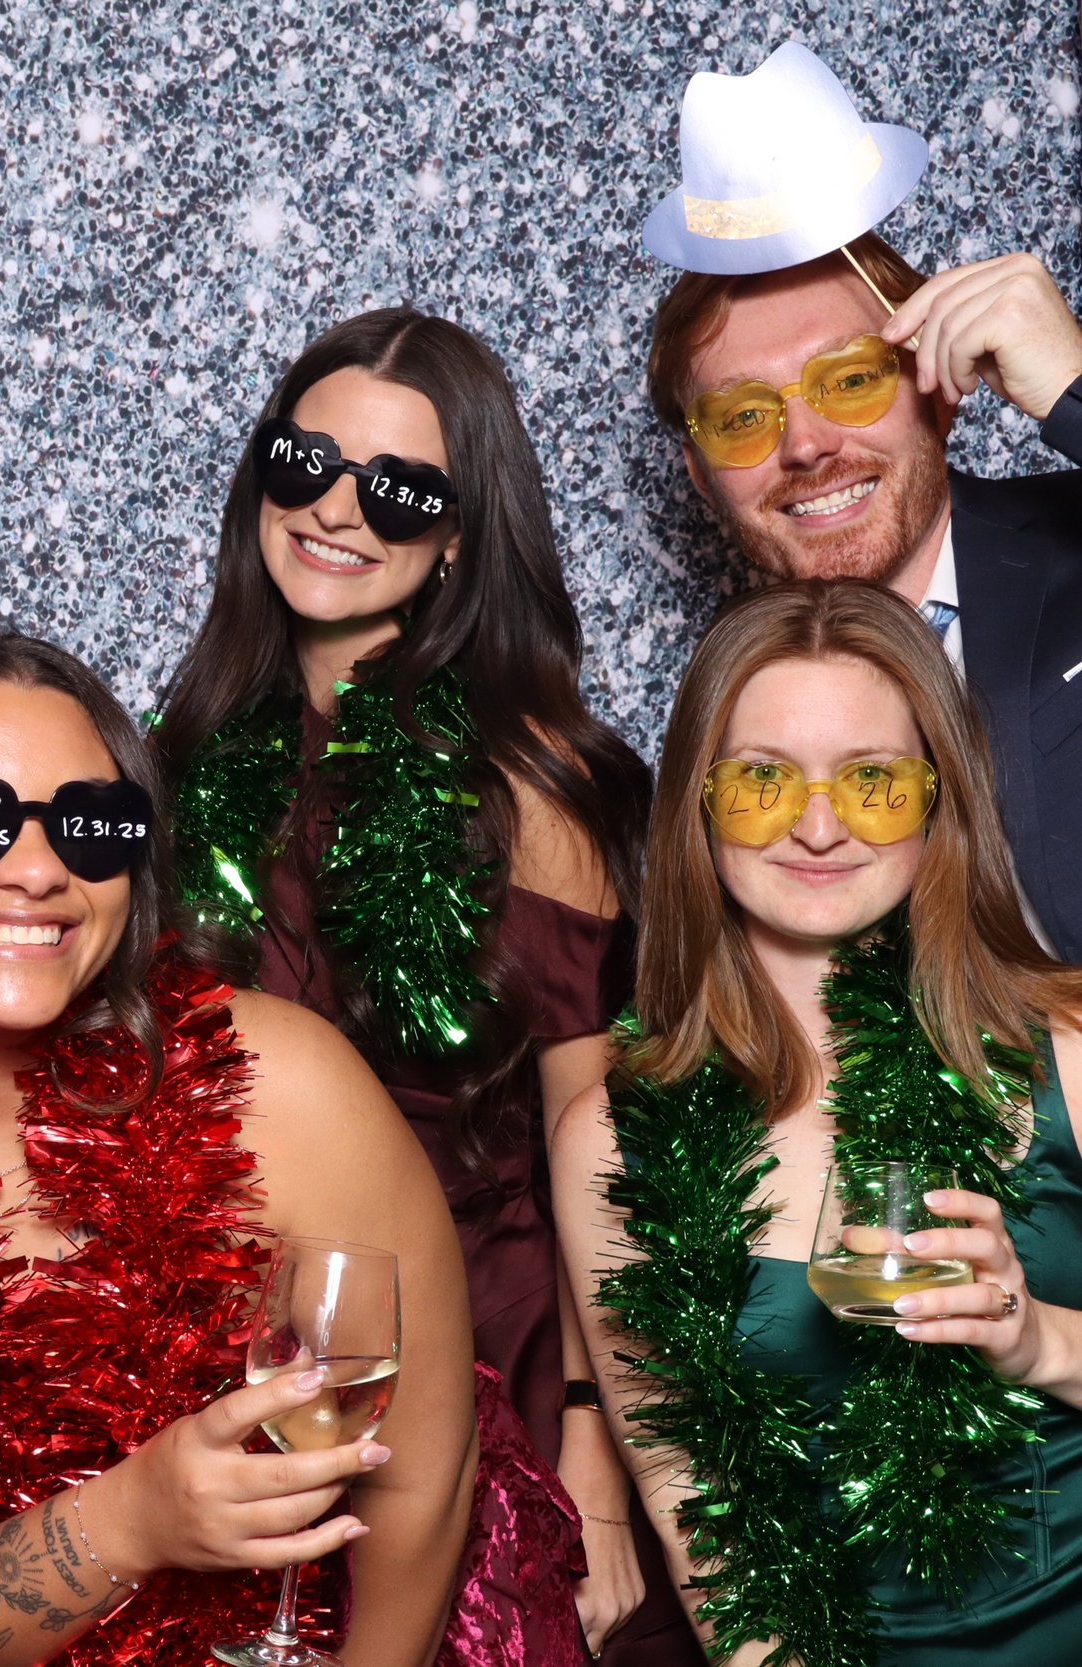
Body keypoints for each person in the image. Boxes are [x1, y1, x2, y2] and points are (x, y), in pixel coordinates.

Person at [0, 624, 576, 1666]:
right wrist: (134, 1519)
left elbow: (422, 1475)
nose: (37, 869)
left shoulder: (279, 1085)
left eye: (90, 825)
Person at [157, 309, 686, 1664]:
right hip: (231, 1359)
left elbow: (607, 1139)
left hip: (478, 1356)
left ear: (459, 533)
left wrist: (602, 1447)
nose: (338, 511)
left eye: (398, 489)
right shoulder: (187, 756)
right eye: (304, 464)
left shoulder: (536, 783)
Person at [554, 581, 1082, 1665]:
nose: (818, 823)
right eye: (761, 780)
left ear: (939, 801)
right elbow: (685, 1487)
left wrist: (1038, 1340)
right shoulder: (610, 1142)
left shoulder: (1065, 1045)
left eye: (873, 781)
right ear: (698, 802)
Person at [641, 39, 1082, 959]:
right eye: (744, 416)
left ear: (941, 380)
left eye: (849, 381)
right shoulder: (738, 732)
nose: (805, 445)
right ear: (700, 474)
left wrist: (1078, 393)